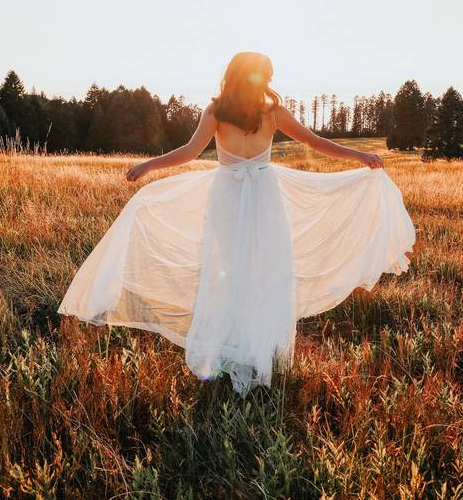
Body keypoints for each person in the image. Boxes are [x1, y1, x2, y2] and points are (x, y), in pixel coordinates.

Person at [57, 52, 415, 395]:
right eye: (267, 76)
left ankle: (239, 351)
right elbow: (314, 142)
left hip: (228, 195)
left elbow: (189, 153)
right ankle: (257, 352)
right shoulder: (268, 111)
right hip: (261, 195)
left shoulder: (218, 111)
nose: (270, 82)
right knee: (264, 272)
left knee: (229, 272)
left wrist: (149, 165)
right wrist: (359, 155)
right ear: (254, 78)